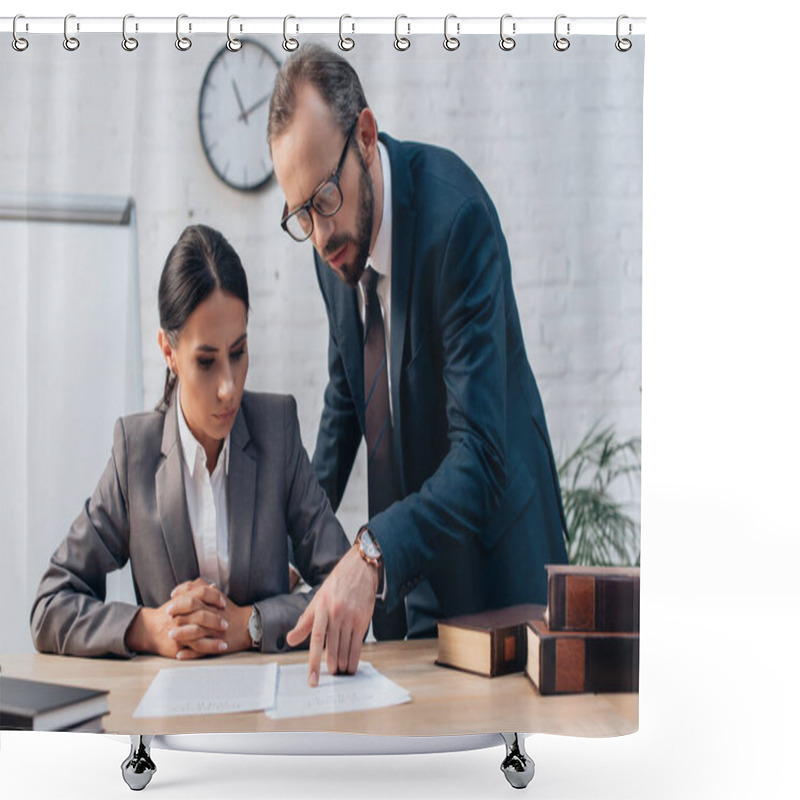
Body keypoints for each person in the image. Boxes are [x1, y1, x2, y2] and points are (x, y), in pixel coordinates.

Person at [267, 43, 569, 687]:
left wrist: (370, 551)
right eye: (299, 215)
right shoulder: (334, 251)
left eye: (324, 197)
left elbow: (483, 456)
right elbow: (347, 398)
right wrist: (295, 544)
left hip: (499, 577)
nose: (318, 235)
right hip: (413, 585)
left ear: (367, 137)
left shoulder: (457, 222)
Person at [30, 224, 349, 659]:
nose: (228, 387)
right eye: (206, 361)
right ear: (168, 351)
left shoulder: (277, 429)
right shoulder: (135, 453)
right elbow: (50, 605)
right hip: (169, 716)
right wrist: (150, 628)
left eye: (238, 353)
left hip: (269, 712)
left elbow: (344, 586)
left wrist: (251, 625)